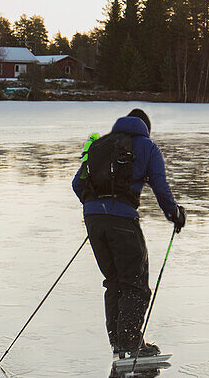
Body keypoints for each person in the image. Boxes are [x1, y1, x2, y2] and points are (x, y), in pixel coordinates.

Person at [73, 108, 185, 360]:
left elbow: (77, 184)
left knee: (114, 282)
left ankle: (119, 343)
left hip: (93, 219)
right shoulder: (147, 147)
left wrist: (97, 208)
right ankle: (131, 345)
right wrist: (175, 214)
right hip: (122, 221)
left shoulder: (100, 145)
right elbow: (159, 185)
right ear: (145, 127)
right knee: (135, 285)